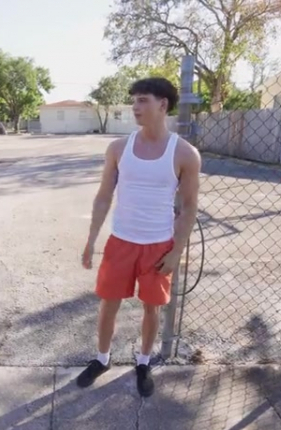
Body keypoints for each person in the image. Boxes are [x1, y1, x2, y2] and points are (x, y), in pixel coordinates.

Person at [79, 77, 201, 397]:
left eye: (143, 100)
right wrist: (91, 240)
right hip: (121, 242)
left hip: (158, 246)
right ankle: (102, 358)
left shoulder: (185, 153)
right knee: (109, 304)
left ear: (163, 104)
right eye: (134, 100)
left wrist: (176, 251)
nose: (135, 106)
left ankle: (144, 363)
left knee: (152, 308)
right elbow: (104, 196)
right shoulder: (118, 149)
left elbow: (189, 207)